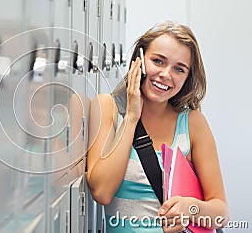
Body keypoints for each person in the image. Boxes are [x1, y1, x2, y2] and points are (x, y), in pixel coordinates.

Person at [86, 21, 229, 232]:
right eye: (158, 61)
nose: (166, 75)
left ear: (187, 77)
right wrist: (132, 117)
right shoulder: (107, 107)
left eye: (179, 69)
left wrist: (191, 208)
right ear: (139, 61)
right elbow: (101, 192)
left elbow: (221, 213)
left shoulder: (192, 122)